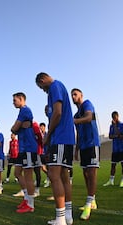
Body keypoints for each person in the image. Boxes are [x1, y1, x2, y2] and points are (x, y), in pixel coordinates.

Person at [36, 72, 75, 225]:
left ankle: (60, 219)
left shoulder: (54, 86)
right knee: (64, 176)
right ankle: (68, 216)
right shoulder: (58, 87)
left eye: (41, 87)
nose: (43, 90)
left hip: (60, 138)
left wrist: (48, 135)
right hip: (66, 139)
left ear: (43, 80)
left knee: (54, 175)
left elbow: (57, 113)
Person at [71, 88, 100, 220]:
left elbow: (88, 117)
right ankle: (92, 201)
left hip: (92, 143)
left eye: (75, 94)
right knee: (85, 173)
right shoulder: (76, 115)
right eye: (72, 95)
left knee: (92, 172)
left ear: (81, 95)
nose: (73, 96)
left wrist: (75, 122)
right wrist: (76, 149)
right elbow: (78, 133)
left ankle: (88, 205)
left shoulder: (87, 104)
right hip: (83, 146)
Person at [11, 92, 39, 213]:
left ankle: (31, 205)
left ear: (21, 99)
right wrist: (19, 127)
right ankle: (26, 198)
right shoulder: (21, 112)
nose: (13, 103)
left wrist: (18, 127)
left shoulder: (25, 111)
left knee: (28, 175)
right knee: (17, 173)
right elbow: (15, 129)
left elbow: (14, 129)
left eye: (15, 100)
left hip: (28, 147)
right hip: (22, 148)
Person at [104, 111, 123, 187]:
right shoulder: (111, 126)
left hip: (121, 149)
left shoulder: (121, 125)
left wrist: (115, 128)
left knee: (122, 165)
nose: (114, 119)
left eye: (115, 117)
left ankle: (122, 181)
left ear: (118, 116)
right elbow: (110, 136)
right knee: (113, 165)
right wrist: (116, 135)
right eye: (113, 117)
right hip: (115, 149)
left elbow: (121, 136)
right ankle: (111, 181)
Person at [32, 121, 44, 197]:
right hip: (31, 152)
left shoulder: (34, 125)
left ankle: (37, 190)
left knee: (38, 171)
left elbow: (40, 139)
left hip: (38, 153)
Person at [40, 122, 51, 188]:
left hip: (47, 153)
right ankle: (49, 177)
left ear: (44, 127)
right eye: (40, 127)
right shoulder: (39, 135)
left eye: (42, 127)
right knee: (43, 168)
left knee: (48, 168)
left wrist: (49, 152)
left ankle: (48, 180)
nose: (41, 128)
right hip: (41, 153)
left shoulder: (47, 134)